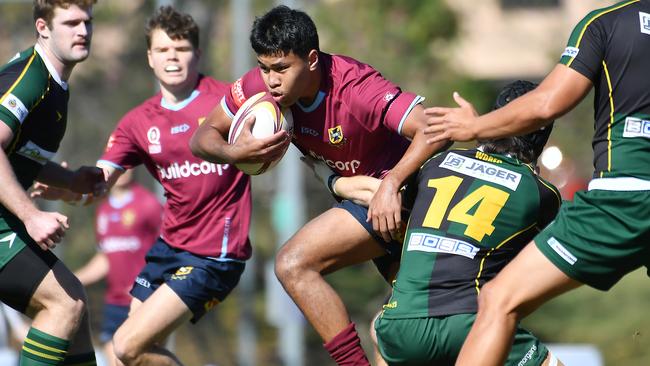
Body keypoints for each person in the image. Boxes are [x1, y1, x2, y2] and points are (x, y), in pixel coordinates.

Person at [190, 5, 447, 364]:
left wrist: (392, 184)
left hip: (409, 200)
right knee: (399, 331)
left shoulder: (356, 88)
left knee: (298, 267)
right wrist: (232, 151)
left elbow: (434, 130)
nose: (271, 81)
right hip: (365, 203)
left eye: (281, 69)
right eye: (264, 68)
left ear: (311, 60)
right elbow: (201, 137)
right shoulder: (260, 87)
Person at [424, 1, 650, 365]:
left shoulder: (607, 22)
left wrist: (473, 127)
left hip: (623, 199)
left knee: (499, 300)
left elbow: (547, 104)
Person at [34, 6, 251, 366]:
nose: (172, 58)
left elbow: (265, 137)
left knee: (124, 345)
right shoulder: (137, 122)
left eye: (180, 49)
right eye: (163, 50)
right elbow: (99, 183)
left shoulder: (228, 102)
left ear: (197, 54)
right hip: (168, 248)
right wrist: (64, 187)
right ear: (150, 57)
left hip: (215, 253)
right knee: (125, 359)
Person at [366, 81, 561, 366]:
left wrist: (337, 182)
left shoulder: (437, 162)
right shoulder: (540, 192)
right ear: (542, 134)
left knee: (378, 328)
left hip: (400, 327)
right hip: (468, 324)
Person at [0, 1, 104, 365]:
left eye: (88, 22)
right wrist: (32, 215)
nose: (83, 31)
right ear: (43, 27)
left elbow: (19, 155)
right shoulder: (30, 77)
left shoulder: (55, 84)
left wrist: (71, 179)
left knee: (74, 307)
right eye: (71, 22)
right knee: (64, 303)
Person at [74, 170, 161, 366]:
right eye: (117, 165)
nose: (122, 170)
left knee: (141, 359)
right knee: (114, 359)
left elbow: (168, 252)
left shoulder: (149, 204)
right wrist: (71, 279)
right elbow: (106, 258)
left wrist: (148, 284)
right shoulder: (103, 210)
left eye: (127, 165)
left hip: (142, 301)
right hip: (114, 301)